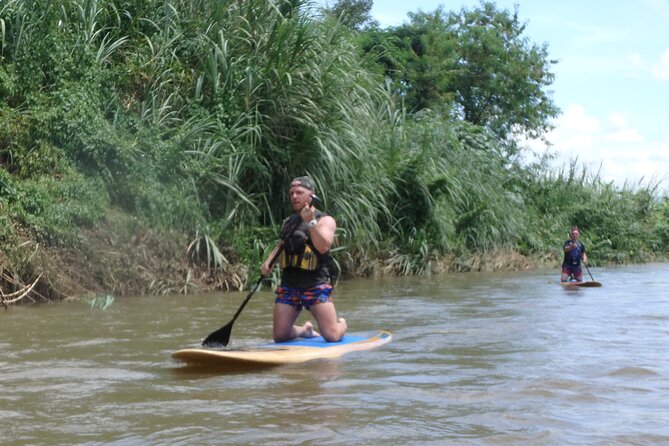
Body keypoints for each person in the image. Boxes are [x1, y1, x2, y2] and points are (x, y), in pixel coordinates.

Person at [261, 176, 347, 342]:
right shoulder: (289, 222)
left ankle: (341, 324)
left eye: (299, 192)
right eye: (291, 193)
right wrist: (268, 262)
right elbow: (282, 244)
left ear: (311, 196)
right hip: (289, 284)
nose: (294, 196)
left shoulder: (325, 220)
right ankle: (304, 330)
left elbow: (323, 246)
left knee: (332, 336)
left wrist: (310, 222)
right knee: (280, 336)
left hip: (315, 284)